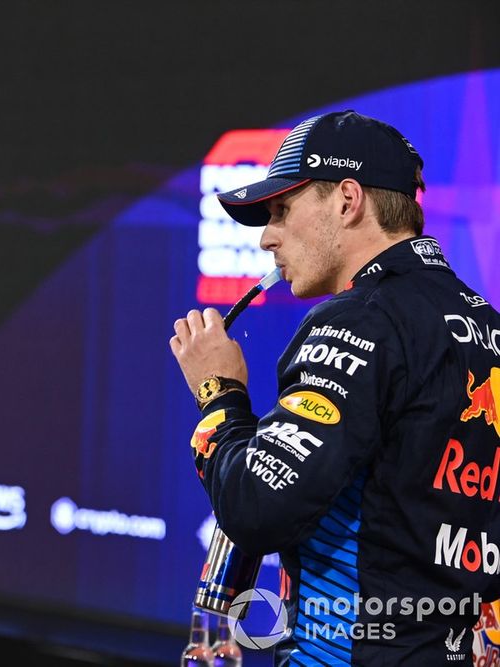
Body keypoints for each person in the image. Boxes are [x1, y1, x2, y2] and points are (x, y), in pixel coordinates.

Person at [170, 110, 500, 665]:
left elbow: (255, 506)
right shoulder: (487, 324)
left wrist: (219, 392)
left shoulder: (357, 322)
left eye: (281, 210)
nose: (267, 239)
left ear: (348, 201)